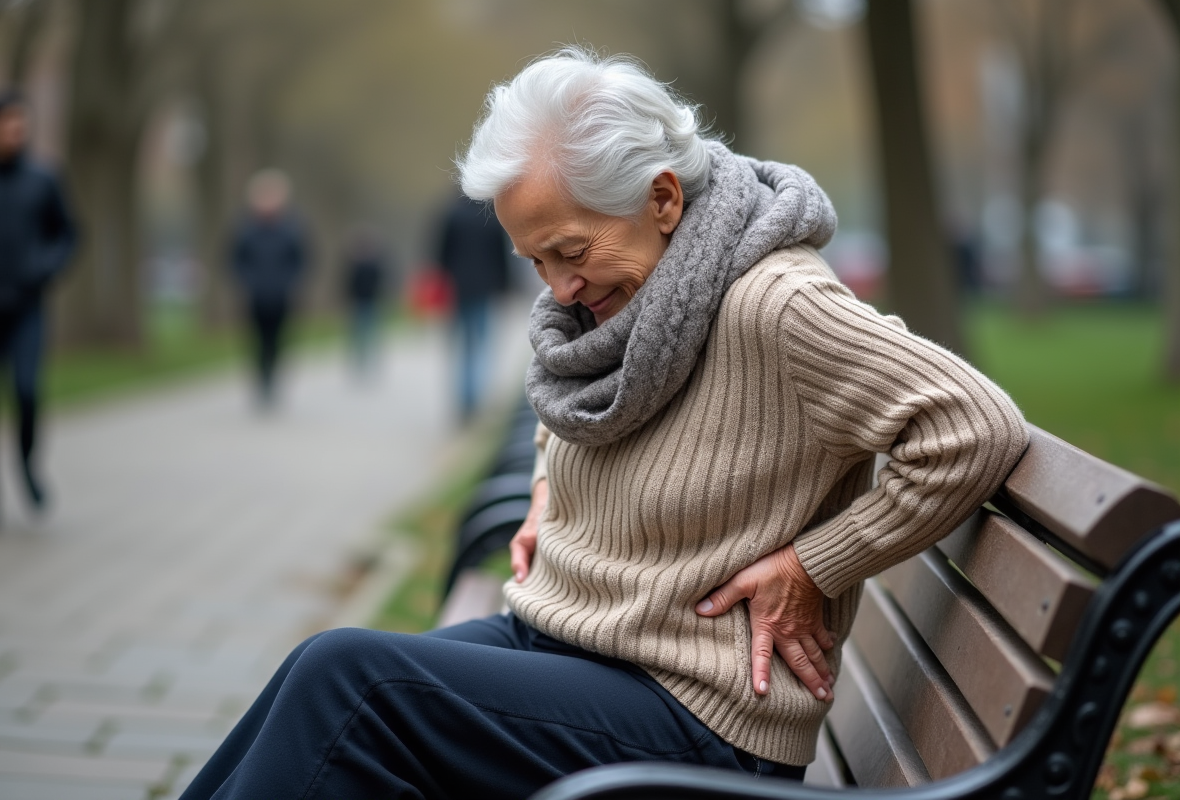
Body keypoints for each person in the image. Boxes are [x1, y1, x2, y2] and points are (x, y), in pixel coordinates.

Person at [180, 48, 1028, 799]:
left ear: (662, 197)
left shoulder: (774, 301)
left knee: (353, 685)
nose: (558, 289)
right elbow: (590, 407)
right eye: (535, 261)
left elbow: (974, 427)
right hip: (578, 642)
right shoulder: (645, 286)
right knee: (318, 672)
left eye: (572, 252)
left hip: (692, 713)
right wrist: (552, 487)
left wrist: (814, 564)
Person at [0, 91, 75, 525]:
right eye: (6, 124)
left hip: (26, 306)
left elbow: (68, 234)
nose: (14, 133)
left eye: (21, 125)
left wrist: (46, 266)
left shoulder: (43, 178)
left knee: (26, 390)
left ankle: (27, 465)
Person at [229, 169, 307, 408]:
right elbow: (235, 259)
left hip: (282, 295)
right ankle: (261, 380)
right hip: (255, 295)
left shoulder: (292, 228)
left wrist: (289, 281)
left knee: (278, 340)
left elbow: (302, 259)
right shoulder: (246, 229)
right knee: (257, 340)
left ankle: (272, 378)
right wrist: (248, 281)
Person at [436, 193, 510, 421]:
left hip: (458, 288)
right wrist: (504, 285)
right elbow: (501, 256)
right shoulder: (491, 216)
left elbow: (442, 253)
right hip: (485, 288)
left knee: (464, 345)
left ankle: (465, 399)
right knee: (482, 344)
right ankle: (477, 397)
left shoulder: (452, 214)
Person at [341, 229, 390, 377]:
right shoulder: (356, 263)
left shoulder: (371, 263)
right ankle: (361, 362)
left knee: (367, 334)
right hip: (361, 302)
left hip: (369, 302)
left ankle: (367, 362)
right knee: (361, 334)